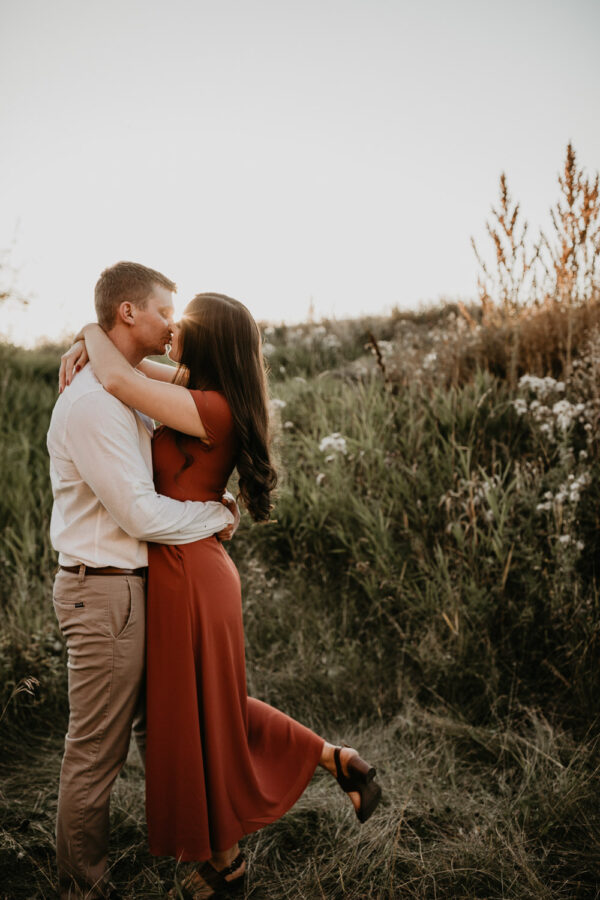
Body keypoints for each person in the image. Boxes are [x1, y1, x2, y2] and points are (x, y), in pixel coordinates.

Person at [63, 290, 382, 898]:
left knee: (201, 709)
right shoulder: (199, 393)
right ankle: (327, 767)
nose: (174, 331)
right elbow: (124, 366)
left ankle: (224, 863)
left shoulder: (208, 407)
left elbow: (115, 375)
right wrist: (91, 337)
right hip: (188, 564)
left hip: (188, 570)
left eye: (185, 325)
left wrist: (87, 327)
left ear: (207, 339)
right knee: (208, 705)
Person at [47, 262, 237, 900]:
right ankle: (85, 883)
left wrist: (84, 335)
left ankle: (200, 854)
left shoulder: (120, 386)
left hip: (134, 585)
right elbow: (136, 512)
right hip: (102, 588)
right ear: (128, 312)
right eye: (162, 311)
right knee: (98, 747)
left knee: (165, 728)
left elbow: (135, 375)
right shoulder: (95, 403)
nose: (170, 324)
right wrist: (216, 512)